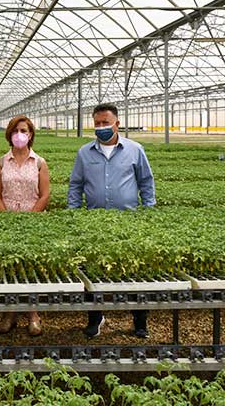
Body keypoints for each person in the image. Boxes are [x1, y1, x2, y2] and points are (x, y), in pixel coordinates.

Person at [68, 103, 156, 339]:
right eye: (97, 123)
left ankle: (139, 320)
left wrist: (148, 212)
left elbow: (146, 182)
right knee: (93, 271)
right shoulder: (84, 153)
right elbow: (75, 185)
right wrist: (74, 213)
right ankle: (95, 318)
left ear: (117, 123)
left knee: (134, 271)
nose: (101, 127)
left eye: (105, 122)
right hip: (93, 222)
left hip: (129, 221)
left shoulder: (135, 149)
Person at [0, 115, 50, 336]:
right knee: (10, 265)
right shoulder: (0, 163)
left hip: (33, 219)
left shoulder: (40, 163)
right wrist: (6, 218)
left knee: (31, 266)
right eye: (15, 131)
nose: (19, 135)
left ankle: (33, 313)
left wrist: (30, 219)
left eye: (24, 131)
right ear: (9, 134)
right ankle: (10, 312)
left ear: (31, 134)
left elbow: (44, 195)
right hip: (6, 219)